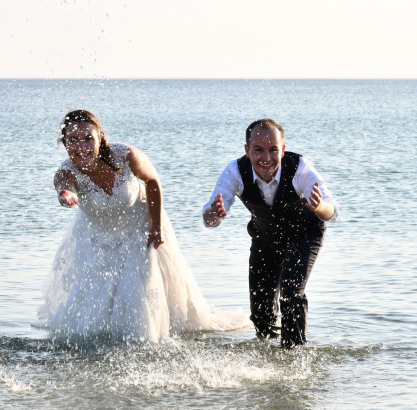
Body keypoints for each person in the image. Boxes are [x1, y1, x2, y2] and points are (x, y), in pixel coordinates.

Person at [39, 110, 249, 342]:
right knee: (99, 299)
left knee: (137, 291)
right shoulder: (66, 171)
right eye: (73, 141)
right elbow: (64, 186)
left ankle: (144, 341)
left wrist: (156, 226)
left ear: (100, 138)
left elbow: (152, 181)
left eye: (88, 138)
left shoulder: (126, 155)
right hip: (99, 236)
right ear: (65, 143)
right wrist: (65, 194)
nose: (82, 146)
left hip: (141, 228)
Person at [203, 118, 338, 348]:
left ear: (282, 150)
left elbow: (331, 210)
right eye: (258, 150)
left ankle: (295, 356)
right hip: (265, 237)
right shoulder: (235, 171)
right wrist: (214, 215)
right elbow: (209, 217)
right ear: (247, 151)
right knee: (261, 311)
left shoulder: (300, 168)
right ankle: (269, 357)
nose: (266, 158)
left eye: (273, 150)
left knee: (291, 292)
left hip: (304, 234)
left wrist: (318, 207)